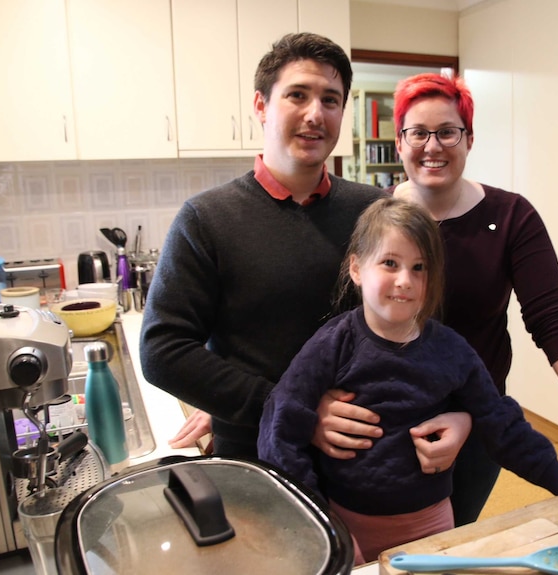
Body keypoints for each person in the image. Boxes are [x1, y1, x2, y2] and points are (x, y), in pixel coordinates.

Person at [312, 73, 558, 527]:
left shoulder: (511, 217)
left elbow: (552, 318)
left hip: (478, 423)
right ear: (399, 143)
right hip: (378, 426)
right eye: (418, 132)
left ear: (469, 139)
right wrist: (283, 405)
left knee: (449, 543)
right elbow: (323, 323)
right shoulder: (372, 217)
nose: (432, 146)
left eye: (448, 131)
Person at [258, 197, 558, 564]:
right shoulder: (332, 344)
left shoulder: (451, 348)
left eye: (419, 268)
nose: (405, 280)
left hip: (434, 525)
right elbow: (279, 430)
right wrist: (323, 524)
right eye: (390, 263)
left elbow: (502, 424)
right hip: (346, 526)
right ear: (356, 268)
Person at [139, 32, 394, 458]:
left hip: (367, 450)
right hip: (259, 454)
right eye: (297, 95)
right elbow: (163, 350)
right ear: (261, 106)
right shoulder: (207, 218)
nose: (316, 114)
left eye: (330, 100)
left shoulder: (373, 211)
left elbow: (415, 322)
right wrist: (292, 406)